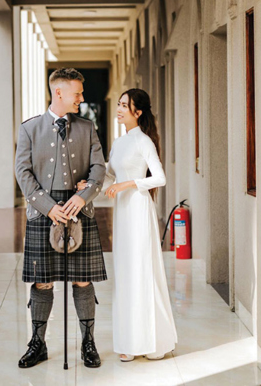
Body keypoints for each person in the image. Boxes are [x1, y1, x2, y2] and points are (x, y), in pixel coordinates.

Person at [14, 67, 107, 369]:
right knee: (42, 281)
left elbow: (98, 168)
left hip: (79, 208)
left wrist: (82, 197)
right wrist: (46, 205)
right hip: (45, 211)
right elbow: (23, 173)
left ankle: (88, 343)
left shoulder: (87, 127)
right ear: (59, 93)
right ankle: (37, 343)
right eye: (77, 92)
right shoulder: (29, 129)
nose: (82, 97)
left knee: (83, 280)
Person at [78, 88, 177, 362]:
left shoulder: (144, 141)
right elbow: (109, 177)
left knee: (141, 272)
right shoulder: (120, 142)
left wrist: (130, 183)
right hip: (123, 212)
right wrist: (88, 184)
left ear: (138, 112)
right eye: (119, 104)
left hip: (138, 210)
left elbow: (159, 178)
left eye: (125, 105)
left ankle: (153, 341)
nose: (119, 109)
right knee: (126, 273)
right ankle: (130, 342)